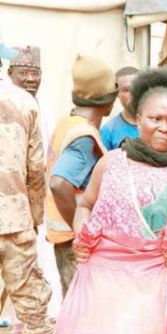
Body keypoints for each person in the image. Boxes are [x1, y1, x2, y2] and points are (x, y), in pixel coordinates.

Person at [47, 69, 167, 334]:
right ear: (138, 117)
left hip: (162, 289)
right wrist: (82, 233)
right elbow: (85, 205)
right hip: (109, 290)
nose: (164, 128)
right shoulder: (112, 163)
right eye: (156, 119)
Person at [0, 40, 54, 334]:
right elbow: (36, 170)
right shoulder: (25, 103)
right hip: (16, 220)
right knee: (32, 303)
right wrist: (34, 217)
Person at [47, 55, 115, 296]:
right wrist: (81, 231)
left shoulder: (66, 123)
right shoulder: (84, 136)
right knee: (84, 312)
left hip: (64, 238)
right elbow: (58, 183)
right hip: (74, 241)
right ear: (109, 101)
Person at [100, 66, 140, 150]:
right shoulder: (108, 132)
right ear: (117, 94)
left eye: (137, 88)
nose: (134, 94)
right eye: (127, 90)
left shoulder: (158, 123)